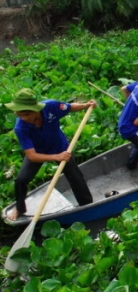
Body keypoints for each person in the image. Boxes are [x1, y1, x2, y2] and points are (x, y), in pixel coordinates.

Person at [5, 88, 96, 221]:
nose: (23, 118)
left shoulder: (52, 106)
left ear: (35, 109)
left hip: (60, 147)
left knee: (76, 177)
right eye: (20, 115)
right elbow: (32, 156)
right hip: (38, 152)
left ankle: (87, 205)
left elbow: (69, 108)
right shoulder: (21, 128)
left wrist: (85, 105)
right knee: (21, 180)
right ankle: (20, 208)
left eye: (26, 114)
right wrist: (55, 157)